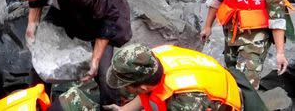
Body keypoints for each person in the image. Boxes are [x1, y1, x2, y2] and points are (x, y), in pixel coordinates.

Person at [5, 0, 132, 106]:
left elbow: (107, 20)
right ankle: (37, 104)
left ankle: (111, 105)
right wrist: (32, 25)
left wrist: (95, 60)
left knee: (104, 73)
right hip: (64, 3)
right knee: (39, 64)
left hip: (104, 13)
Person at [104, 43, 245, 111]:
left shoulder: (184, 101)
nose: (123, 87)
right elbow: (145, 93)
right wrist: (123, 110)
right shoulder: (151, 58)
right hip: (211, 76)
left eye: (125, 84)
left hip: (224, 103)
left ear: (142, 88)